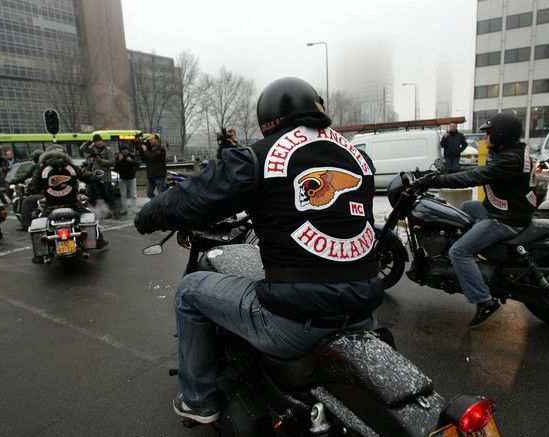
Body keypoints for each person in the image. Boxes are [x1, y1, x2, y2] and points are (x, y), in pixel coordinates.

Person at [134, 77, 382, 423]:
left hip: (296, 324)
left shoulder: (259, 156)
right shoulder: (359, 157)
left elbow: (198, 194)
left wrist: (149, 214)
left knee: (190, 291)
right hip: (364, 312)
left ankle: (198, 401)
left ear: (268, 117)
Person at [411, 113, 535, 327]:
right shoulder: (514, 152)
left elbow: (474, 178)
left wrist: (438, 181)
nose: (485, 136)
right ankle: (478, 247)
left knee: (458, 251)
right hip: (507, 209)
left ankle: (484, 300)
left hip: (507, 219)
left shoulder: (508, 159)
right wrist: (440, 173)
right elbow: (480, 171)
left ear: (501, 133)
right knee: (467, 207)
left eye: (489, 132)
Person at [28, 145, 108, 263]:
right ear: (64, 154)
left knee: (39, 223)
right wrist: (96, 177)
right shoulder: (71, 167)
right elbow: (88, 177)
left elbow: (32, 188)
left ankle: (39, 255)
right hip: (73, 205)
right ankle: (100, 240)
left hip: (51, 208)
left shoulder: (42, 169)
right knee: (91, 217)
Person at [79, 134, 119, 219]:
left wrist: (100, 160)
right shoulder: (92, 150)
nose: (98, 142)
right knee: (100, 197)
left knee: (109, 196)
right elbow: (81, 148)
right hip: (95, 177)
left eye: (99, 140)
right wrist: (89, 141)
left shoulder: (108, 150)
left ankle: (116, 213)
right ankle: (106, 213)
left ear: (102, 141)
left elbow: (112, 162)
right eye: (96, 141)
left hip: (105, 177)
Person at [15, 149, 45, 231]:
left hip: (43, 193)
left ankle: (25, 224)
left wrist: (15, 180)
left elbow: (28, 178)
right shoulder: (48, 166)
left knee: (26, 202)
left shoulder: (37, 167)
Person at [113, 143, 139, 214]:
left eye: (126, 150)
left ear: (128, 150)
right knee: (123, 194)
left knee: (133, 194)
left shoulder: (131, 155)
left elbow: (138, 165)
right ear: (120, 151)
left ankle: (134, 208)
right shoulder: (118, 156)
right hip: (122, 178)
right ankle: (124, 209)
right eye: (123, 150)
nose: (124, 151)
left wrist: (131, 161)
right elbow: (115, 168)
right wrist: (119, 160)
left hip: (131, 177)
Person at [139, 133, 167, 199]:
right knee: (149, 193)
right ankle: (155, 205)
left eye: (151, 139)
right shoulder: (150, 150)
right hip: (150, 176)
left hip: (159, 176)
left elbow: (151, 157)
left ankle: (161, 207)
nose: (150, 141)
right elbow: (144, 160)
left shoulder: (161, 149)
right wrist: (141, 149)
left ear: (157, 139)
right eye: (149, 140)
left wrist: (145, 150)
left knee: (161, 195)